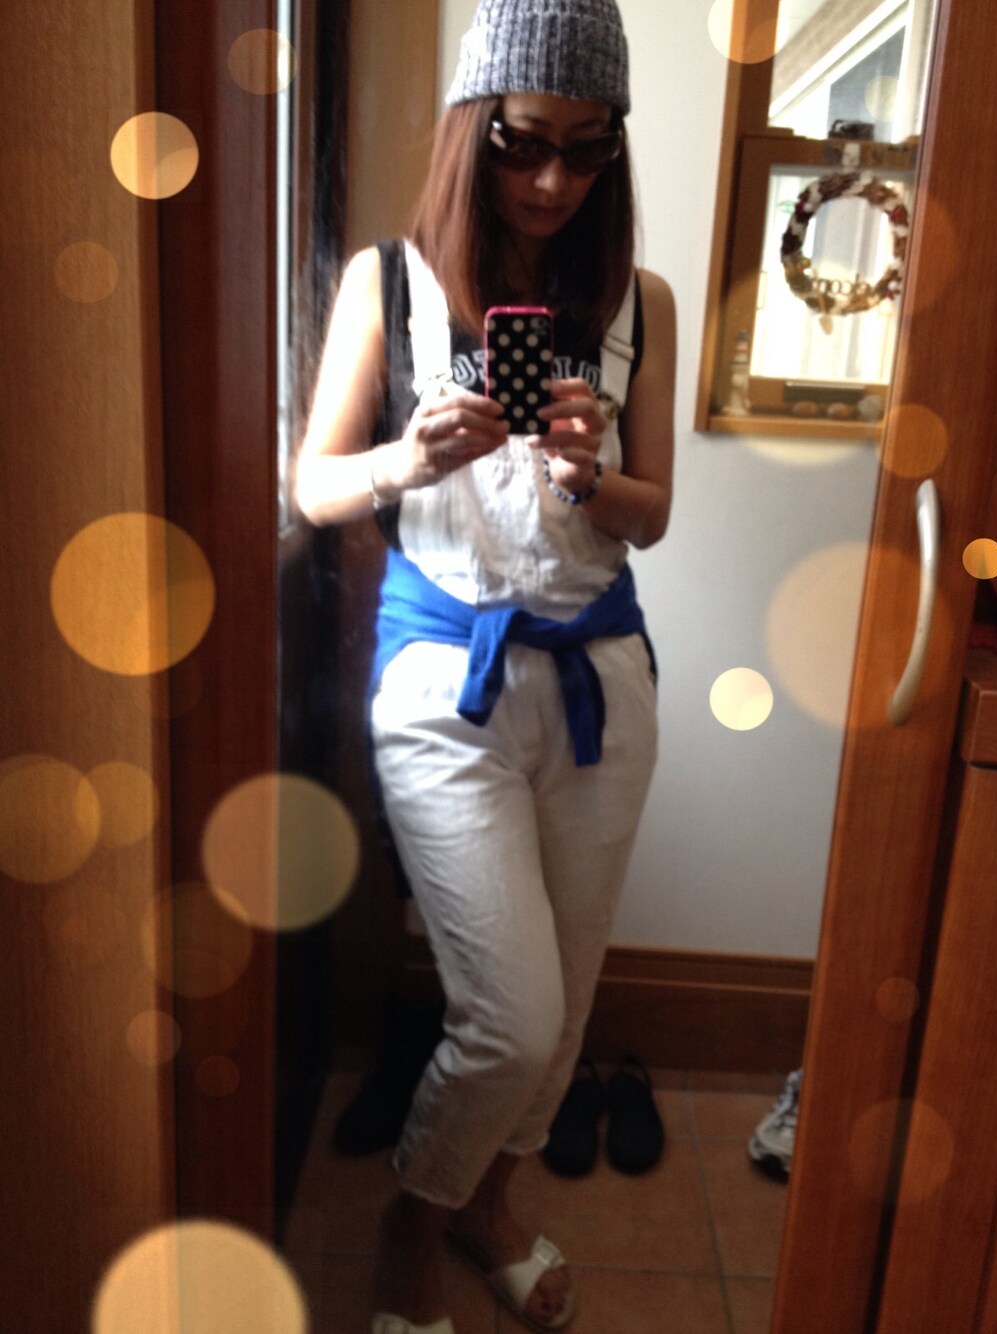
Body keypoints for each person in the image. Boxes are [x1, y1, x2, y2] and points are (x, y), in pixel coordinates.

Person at [295, 2, 676, 1329]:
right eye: (524, 143)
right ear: (474, 129)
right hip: (440, 683)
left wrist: (589, 473)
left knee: (563, 1017)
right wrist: (409, 455)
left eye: (588, 148)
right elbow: (313, 485)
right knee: (508, 1017)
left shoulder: (640, 302)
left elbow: (652, 514)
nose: (554, 181)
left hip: (600, 685)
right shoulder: (386, 283)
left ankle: (488, 1204)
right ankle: (415, 1218)